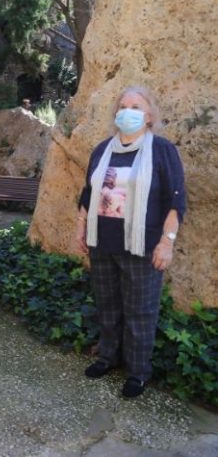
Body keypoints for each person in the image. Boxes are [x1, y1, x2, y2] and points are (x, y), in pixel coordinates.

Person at [75, 86, 186, 398]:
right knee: (108, 307)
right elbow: (88, 192)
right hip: (102, 243)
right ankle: (108, 356)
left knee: (140, 312)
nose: (127, 111)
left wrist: (167, 241)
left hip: (142, 246)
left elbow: (176, 200)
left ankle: (138, 372)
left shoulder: (162, 151)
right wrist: (80, 226)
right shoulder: (102, 150)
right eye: (122, 106)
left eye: (136, 106)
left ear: (149, 116)